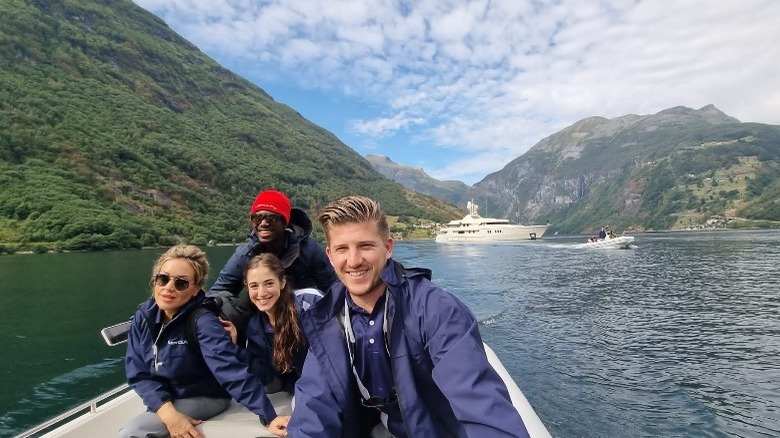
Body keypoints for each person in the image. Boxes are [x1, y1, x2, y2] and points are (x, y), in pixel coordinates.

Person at [287, 196, 530, 437]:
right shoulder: (328, 319)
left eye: (366, 246)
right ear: (330, 255)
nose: (353, 260)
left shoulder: (436, 310)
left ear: (388, 247)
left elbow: (482, 406)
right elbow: (313, 406)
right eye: (342, 249)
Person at [121, 245, 288, 438]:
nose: (168, 288)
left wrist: (269, 417)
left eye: (181, 283)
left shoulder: (203, 322)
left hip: (205, 395)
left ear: (196, 288)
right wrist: (168, 413)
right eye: (163, 278)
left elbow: (230, 370)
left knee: (132, 433)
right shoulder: (144, 316)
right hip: (168, 395)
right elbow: (137, 372)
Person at [208, 189, 337, 332]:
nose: (263, 223)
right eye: (257, 218)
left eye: (271, 218)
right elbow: (218, 292)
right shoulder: (246, 255)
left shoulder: (308, 250)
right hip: (263, 322)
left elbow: (333, 288)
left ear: (285, 222)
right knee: (222, 305)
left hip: (305, 319)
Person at [231, 253, 322, 397]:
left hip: (330, 382)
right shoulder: (255, 327)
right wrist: (234, 347)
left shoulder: (309, 302)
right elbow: (264, 375)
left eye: (269, 283)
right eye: (254, 286)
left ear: (282, 282)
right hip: (298, 387)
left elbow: (336, 350)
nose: (262, 293)